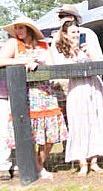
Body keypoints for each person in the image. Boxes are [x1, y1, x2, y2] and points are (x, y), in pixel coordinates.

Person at [0, 16, 68, 179]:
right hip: (25, 93)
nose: (18, 31)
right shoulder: (13, 43)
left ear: (29, 29)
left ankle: (39, 162)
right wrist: (22, 61)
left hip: (46, 92)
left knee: (49, 133)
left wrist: (40, 64)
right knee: (28, 130)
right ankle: (35, 167)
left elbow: (51, 66)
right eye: (16, 28)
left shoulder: (43, 45)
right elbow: (1, 59)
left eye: (21, 28)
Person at [52, 20, 103, 175]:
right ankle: (82, 162)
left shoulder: (85, 47)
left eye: (78, 32)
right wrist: (73, 53)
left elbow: (98, 64)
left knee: (95, 121)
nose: (76, 35)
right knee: (78, 123)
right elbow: (62, 68)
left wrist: (88, 53)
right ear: (65, 34)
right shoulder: (61, 50)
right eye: (73, 32)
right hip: (77, 88)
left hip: (93, 85)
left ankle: (94, 161)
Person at [0, 41, 14, 180]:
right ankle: (3, 166)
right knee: (3, 132)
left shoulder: (7, 47)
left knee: (13, 131)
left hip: (14, 94)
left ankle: (13, 163)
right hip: (2, 96)